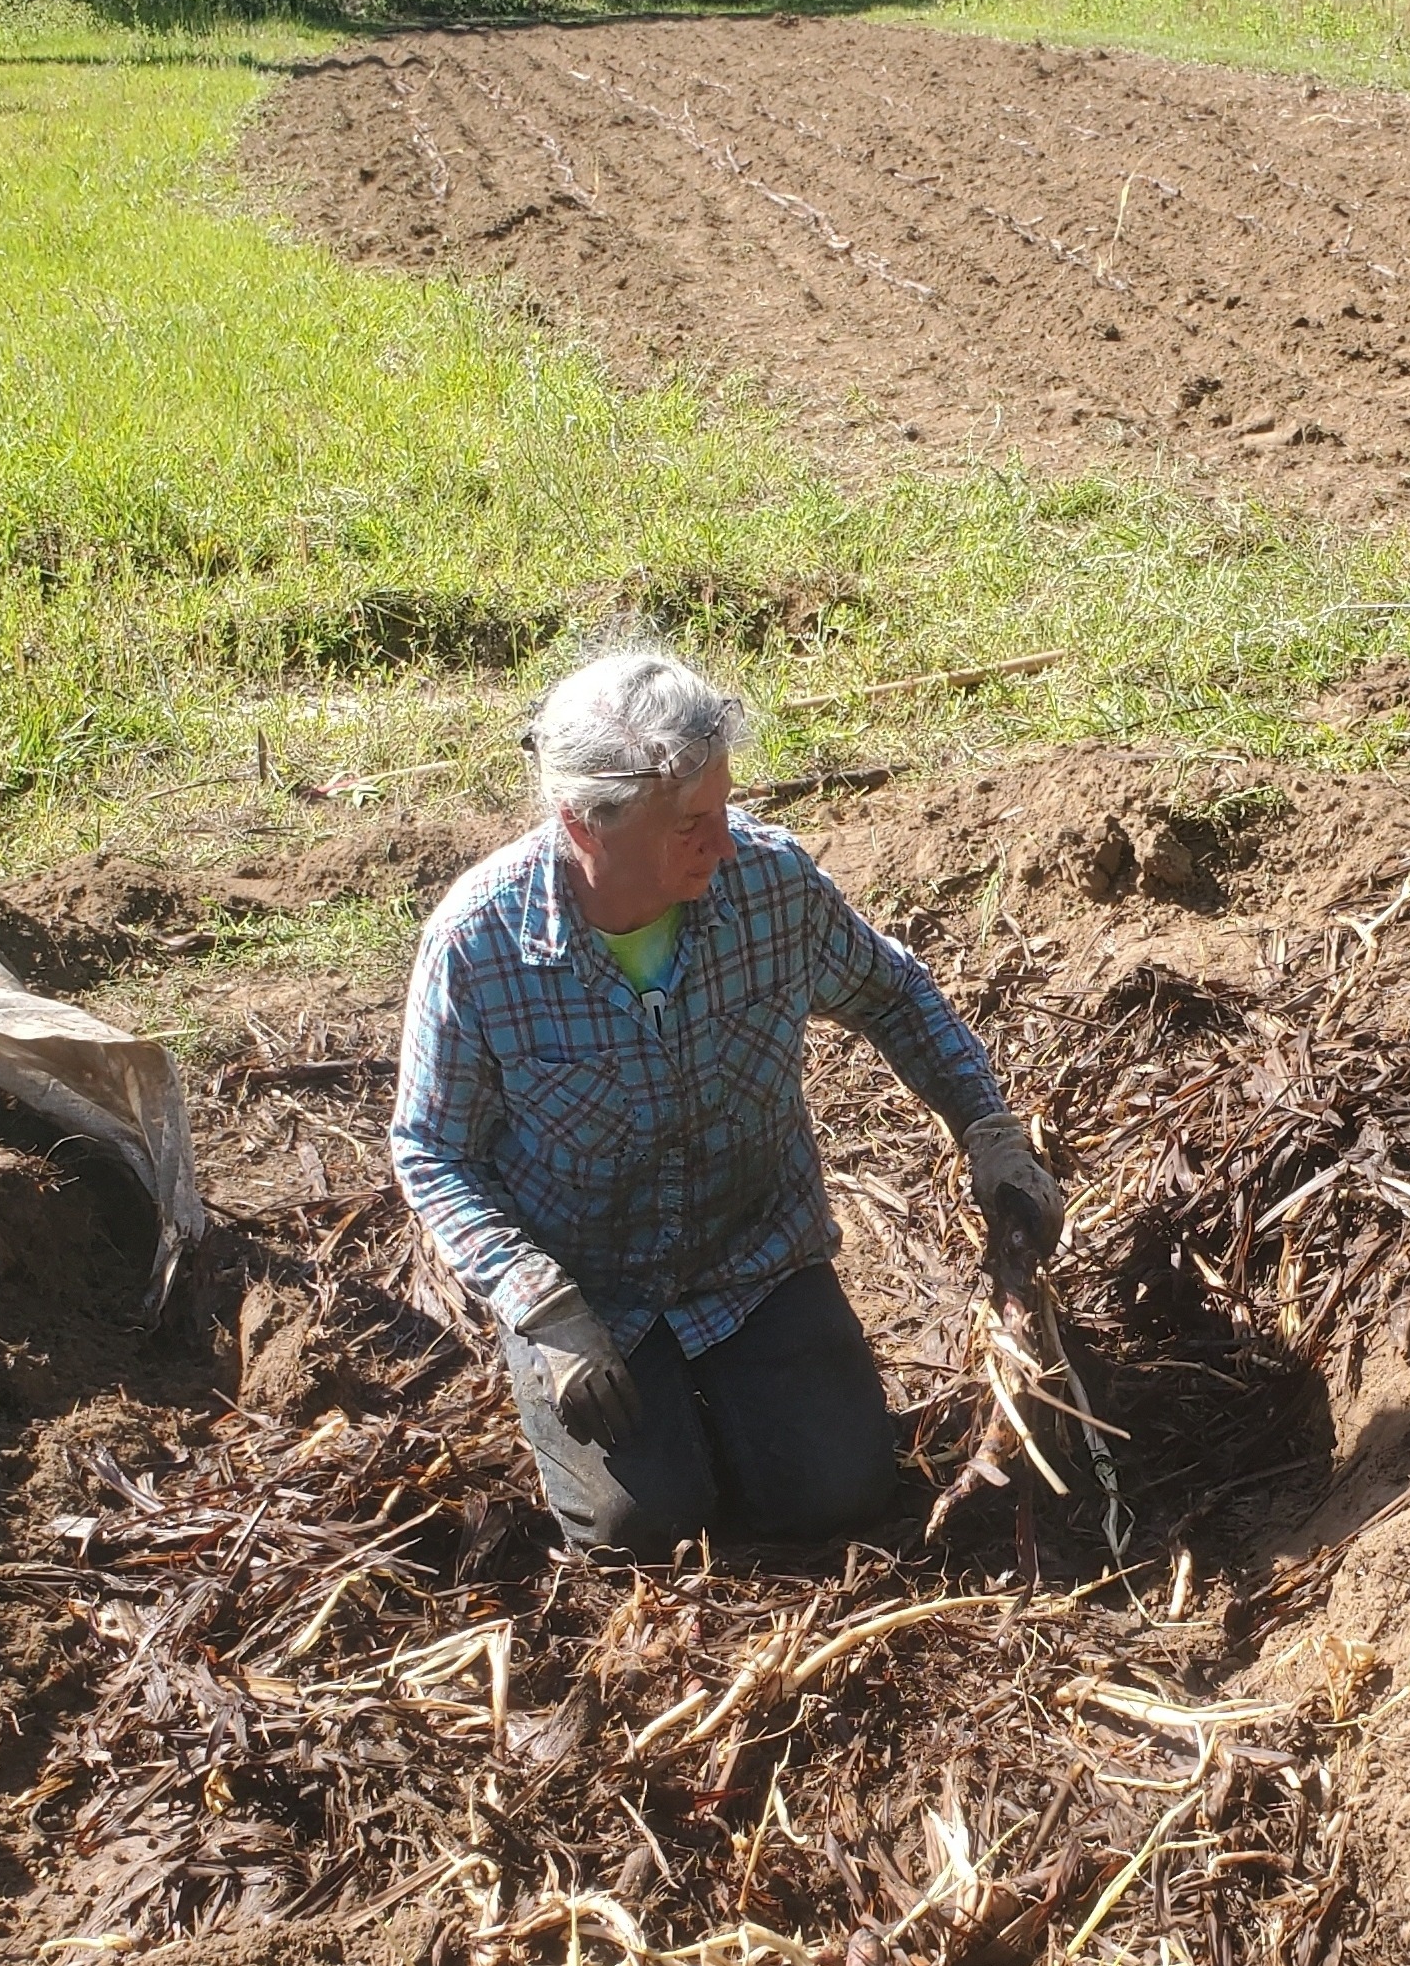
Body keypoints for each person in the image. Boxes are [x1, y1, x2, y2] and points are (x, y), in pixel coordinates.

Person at [390, 647, 1064, 1559]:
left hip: (753, 1264)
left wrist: (987, 1130)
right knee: (643, 1532)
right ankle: (606, 1402)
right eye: (689, 825)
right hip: (591, 1296)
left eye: (722, 807)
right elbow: (433, 1151)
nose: (722, 842)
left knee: (840, 1493)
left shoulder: (769, 886)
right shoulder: (479, 947)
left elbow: (894, 995)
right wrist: (543, 1310)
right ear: (585, 826)